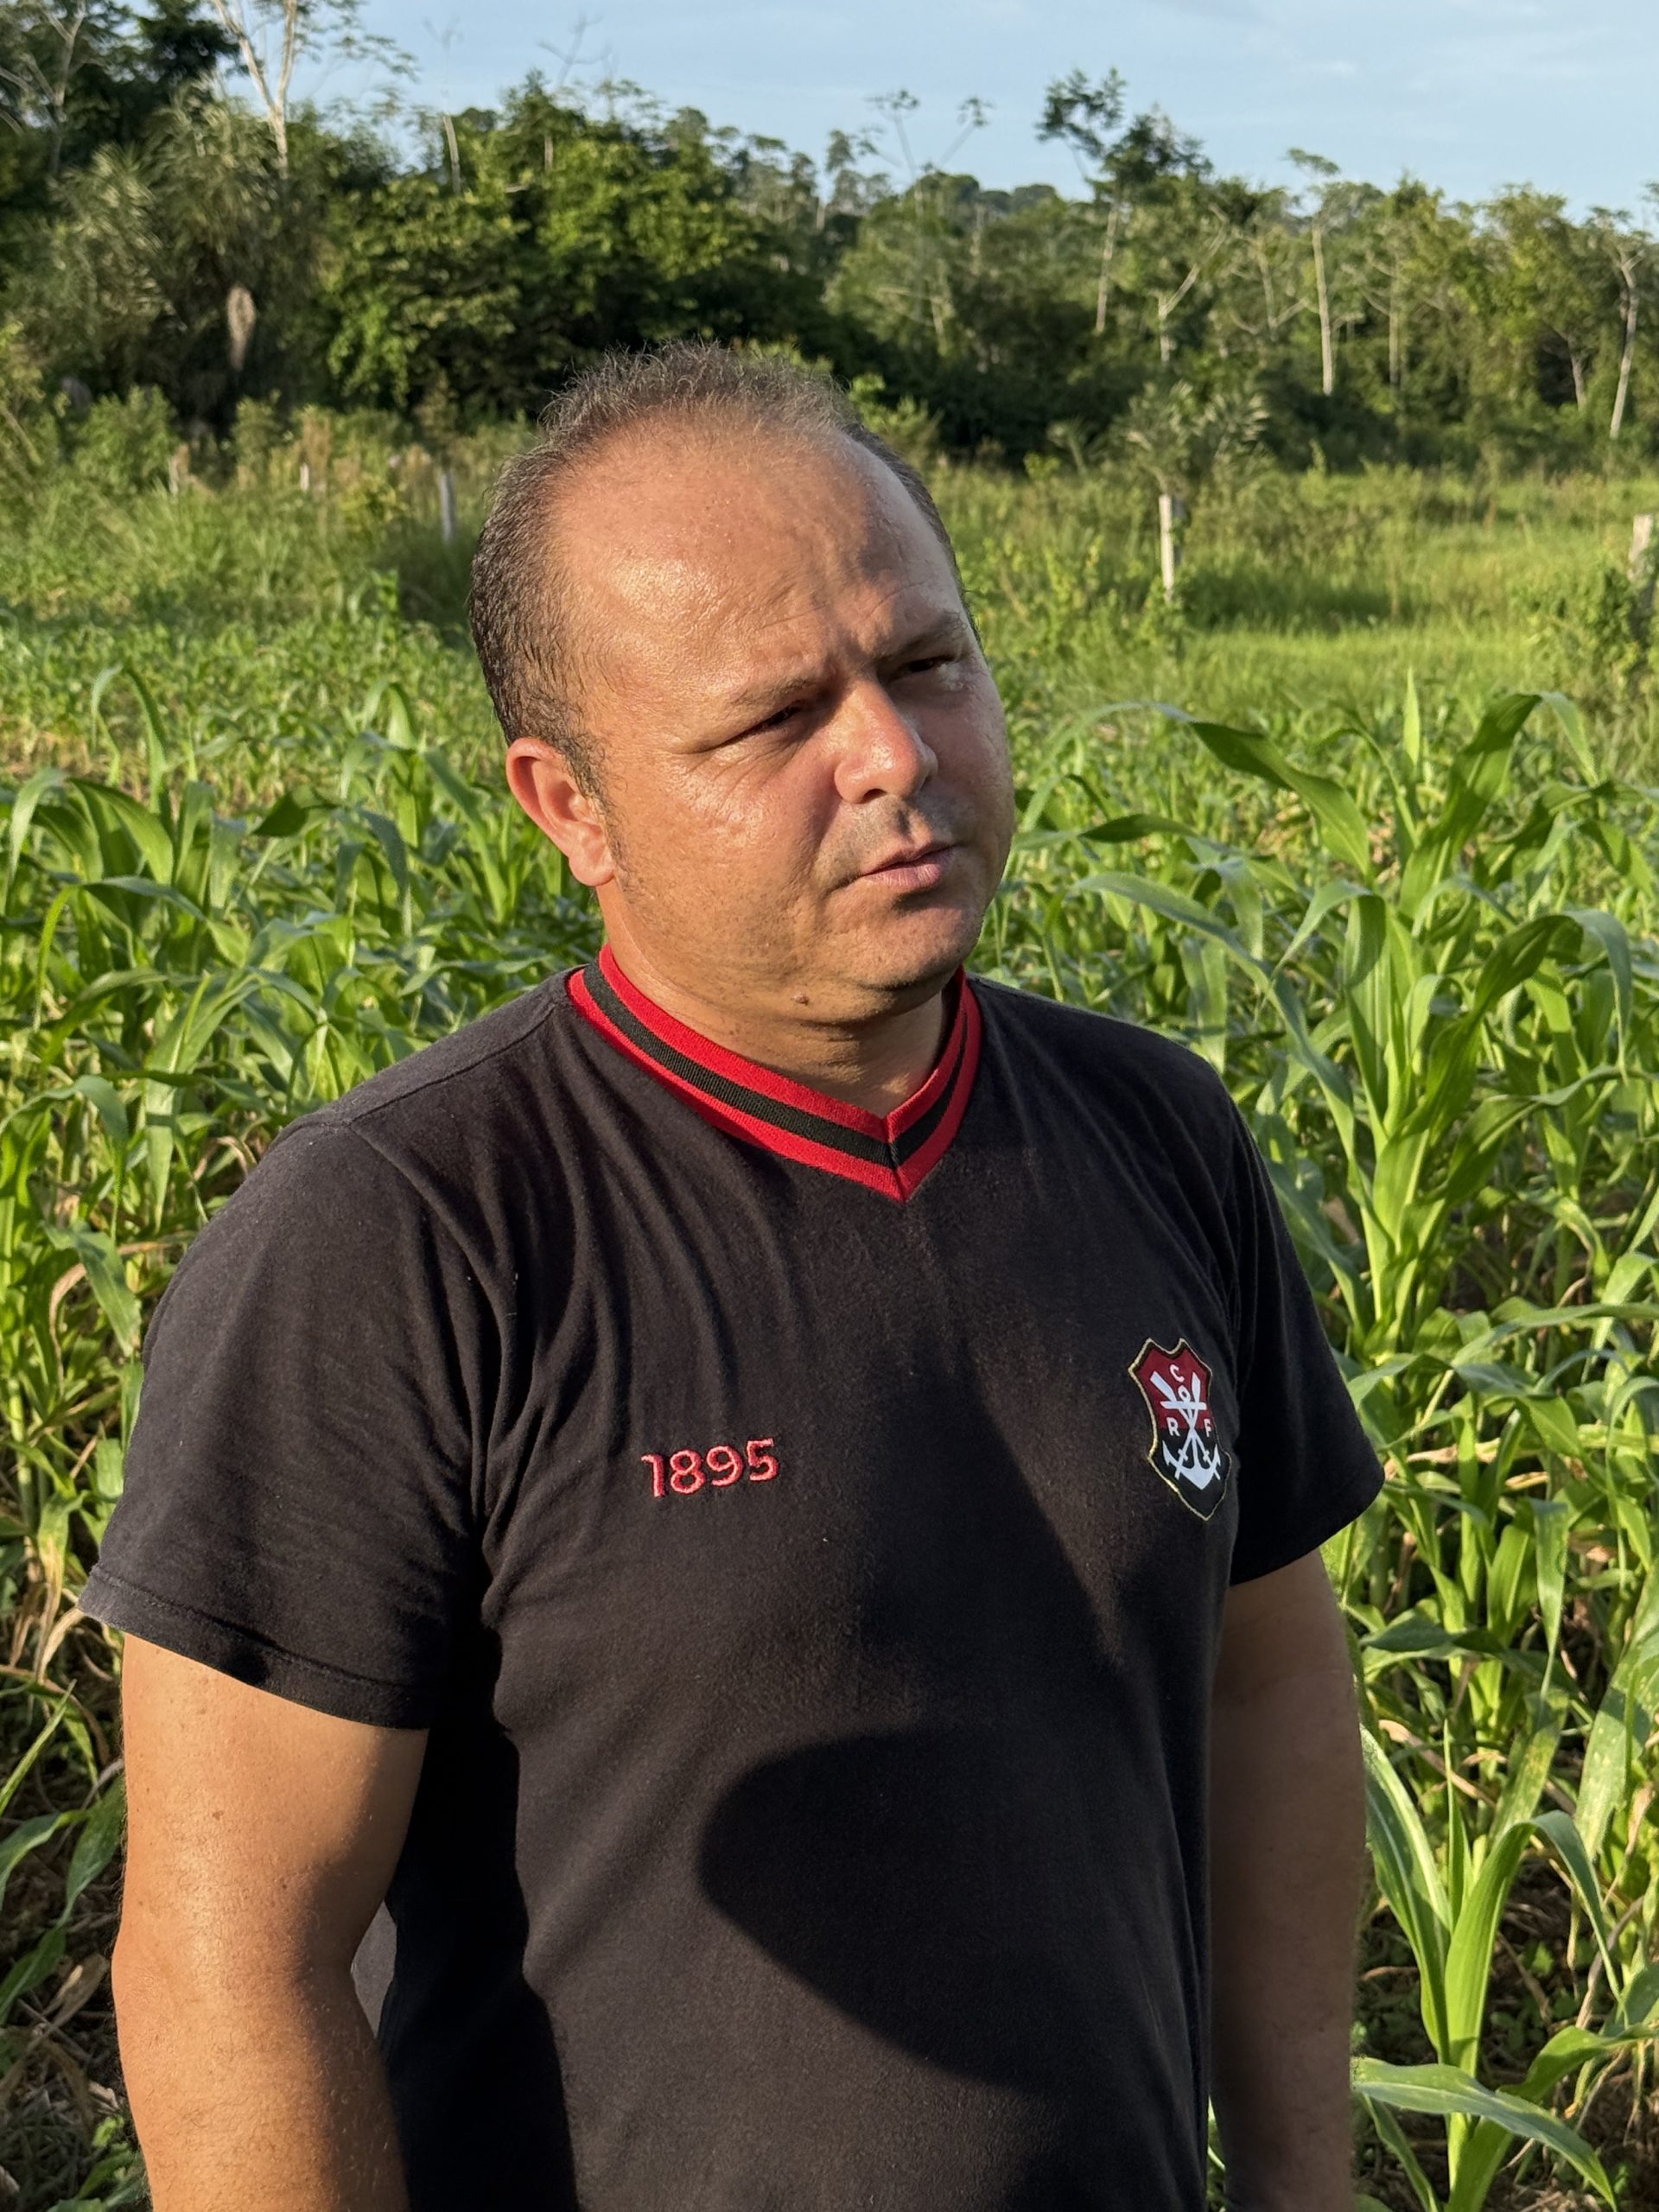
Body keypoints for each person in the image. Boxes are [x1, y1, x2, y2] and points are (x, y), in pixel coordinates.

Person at [92, 345, 1382, 2212]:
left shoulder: (1154, 1132)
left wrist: (1301, 2182)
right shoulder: (401, 1239)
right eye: (774, 719)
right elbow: (233, 1966)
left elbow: (1269, 1696)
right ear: (569, 803)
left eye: (927, 664)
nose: (895, 756)